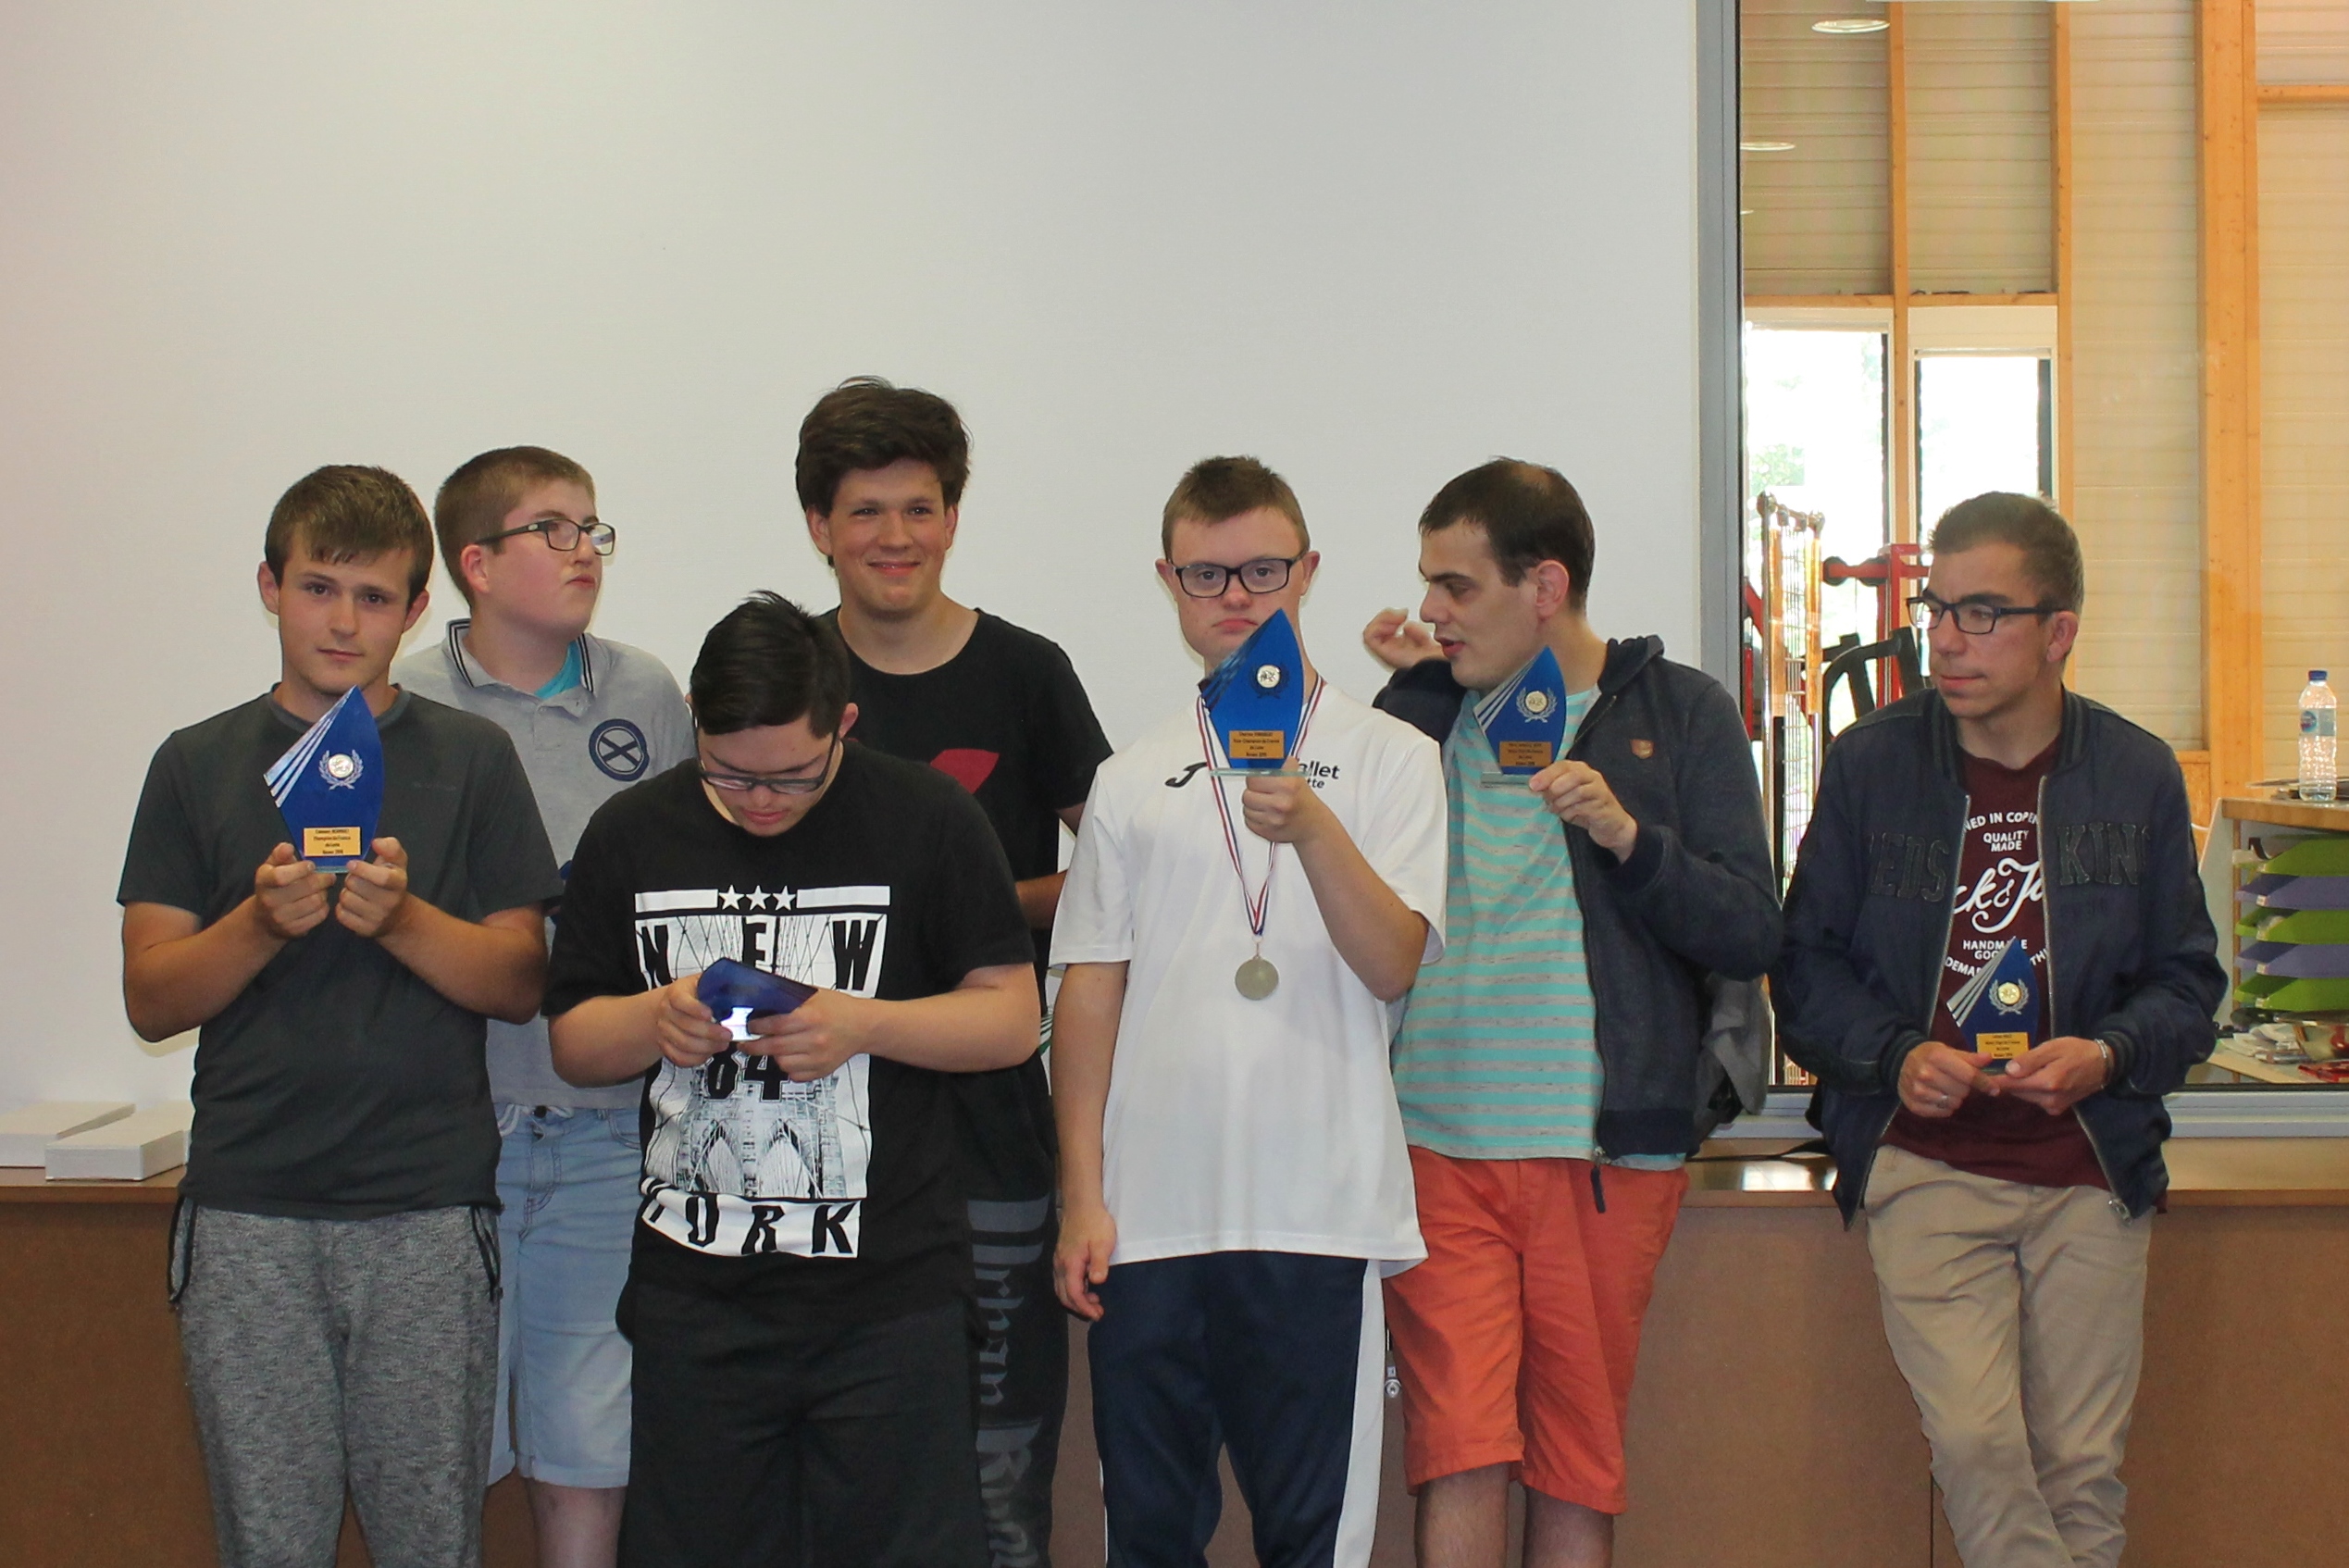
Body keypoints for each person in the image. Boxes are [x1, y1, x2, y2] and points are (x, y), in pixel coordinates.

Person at [118, 465, 563, 1568]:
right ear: (270, 586)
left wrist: (403, 919)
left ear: (416, 608)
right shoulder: (196, 762)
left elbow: (520, 979)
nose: (343, 621)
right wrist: (259, 922)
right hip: (250, 1209)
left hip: (426, 1206)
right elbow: (152, 996)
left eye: (374, 596)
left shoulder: (471, 758)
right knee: (269, 1539)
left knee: (432, 1540)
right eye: (319, 587)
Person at [1773, 492, 2224, 1568]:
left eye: (1982, 613)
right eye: (1937, 609)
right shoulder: (1874, 763)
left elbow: (2188, 983)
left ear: (2058, 630)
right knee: (1977, 1445)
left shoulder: (2137, 774)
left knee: (2080, 1467)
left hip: (2090, 1161)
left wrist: (2106, 1055)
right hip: (1925, 1158)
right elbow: (1804, 967)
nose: (1946, 638)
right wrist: (1896, 1056)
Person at [544, 591, 1039, 1567]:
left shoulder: (928, 817)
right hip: (697, 1300)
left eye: (794, 776)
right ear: (695, 717)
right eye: (730, 774)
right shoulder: (633, 829)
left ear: (843, 722)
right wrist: (655, 1017)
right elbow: (573, 1040)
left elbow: (1011, 1018)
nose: (762, 800)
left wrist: (863, 1024)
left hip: (891, 1301)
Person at [1359, 459, 1781, 1568]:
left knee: (1575, 1462)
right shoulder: (1417, 713)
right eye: (1429, 582)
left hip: (1606, 1154)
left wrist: (1630, 841)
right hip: (1435, 1147)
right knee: (1456, 1451)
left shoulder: (1680, 712)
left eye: (1457, 585)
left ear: (1544, 586)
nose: (1433, 609)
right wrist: (1404, 692)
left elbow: (1750, 928)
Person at [1051, 455, 1448, 1568]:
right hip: (1149, 1220)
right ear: (1169, 583)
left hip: (1318, 1215)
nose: (1236, 595)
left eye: (1263, 570)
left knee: (1313, 1542)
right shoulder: (1133, 774)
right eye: (1207, 574)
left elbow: (1393, 962)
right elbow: (1090, 984)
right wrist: (1082, 1194)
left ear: (1308, 570)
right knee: (1148, 1535)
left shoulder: (1392, 757)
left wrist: (1315, 826)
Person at [796, 378, 1112, 1567]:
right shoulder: (785, 678)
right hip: (815, 1133)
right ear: (820, 526)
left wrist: (967, 910)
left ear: (953, 517)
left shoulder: (1027, 672)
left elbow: (1113, 878)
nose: (896, 536)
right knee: (839, 1471)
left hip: (991, 1123)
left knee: (1000, 1473)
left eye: (919, 508)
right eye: (865, 511)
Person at [394, 445, 692, 1568]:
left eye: (593, 528)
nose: (584, 551)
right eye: (553, 529)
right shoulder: (405, 700)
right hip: (449, 1132)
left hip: (610, 1128)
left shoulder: (645, 692)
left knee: (590, 1442)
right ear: (475, 563)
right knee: (437, 1445)